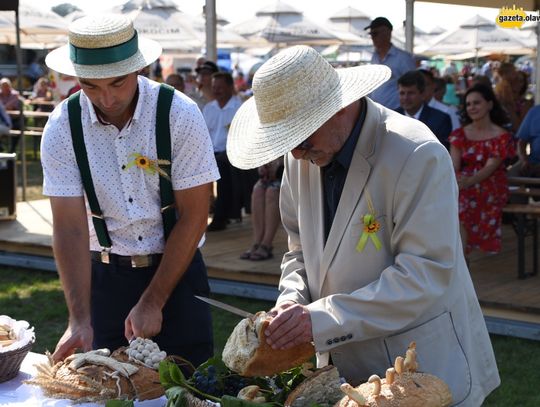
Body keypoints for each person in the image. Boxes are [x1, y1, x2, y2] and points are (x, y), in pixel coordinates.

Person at [226, 45, 499, 406]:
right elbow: (299, 252)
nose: (294, 154)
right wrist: (291, 301)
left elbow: (425, 273)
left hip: (418, 369)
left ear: (338, 107)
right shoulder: (302, 156)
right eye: (287, 144)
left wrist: (317, 320)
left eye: (301, 140)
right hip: (346, 372)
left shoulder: (416, 153)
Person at [41, 14, 219, 369]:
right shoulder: (62, 127)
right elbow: (70, 228)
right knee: (112, 389)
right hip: (106, 279)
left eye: (117, 83)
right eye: (90, 86)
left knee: (191, 385)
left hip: (178, 272)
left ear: (139, 68)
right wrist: (79, 318)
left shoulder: (179, 114)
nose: (106, 98)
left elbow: (195, 215)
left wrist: (153, 299)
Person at [449, 84, 514, 257]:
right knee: (454, 201)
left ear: (490, 104)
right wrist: (458, 183)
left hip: (490, 183)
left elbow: (490, 167)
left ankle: (461, 256)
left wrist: (466, 183)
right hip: (464, 183)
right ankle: (461, 256)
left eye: (476, 103)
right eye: (468, 104)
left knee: (460, 203)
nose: (471, 107)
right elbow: (453, 166)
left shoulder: (501, 136)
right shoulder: (459, 134)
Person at [203, 72, 243, 231]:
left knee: (222, 165)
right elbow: (203, 133)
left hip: (231, 153)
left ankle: (220, 217)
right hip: (210, 152)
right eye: (214, 87)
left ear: (230, 87)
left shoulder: (238, 107)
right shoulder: (209, 108)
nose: (216, 90)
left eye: (220, 87)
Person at [365, 17, 415, 110]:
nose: (372, 38)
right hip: (376, 113)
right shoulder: (374, 57)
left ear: (387, 33)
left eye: (375, 34)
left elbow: (413, 86)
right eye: (371, 34)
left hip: (396, 113)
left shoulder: (403, 58)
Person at [240, 157, 284, 261]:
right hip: (275, 173)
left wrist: (279, 162)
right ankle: (257, 242)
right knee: (257, 190)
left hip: (288, 172)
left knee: (272, 192)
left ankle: (266, 243)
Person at [396, 70, 452, 149]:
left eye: (411, 93)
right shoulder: (391, 118)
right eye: (402, 93)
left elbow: (442, 153)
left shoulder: (440, 120)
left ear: (423, 94)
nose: (405, 98)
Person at [510, 104, 540, 177]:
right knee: (509, 177)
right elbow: (521, 142)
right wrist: (524, 160)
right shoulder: (534, 111)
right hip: (533, 164)